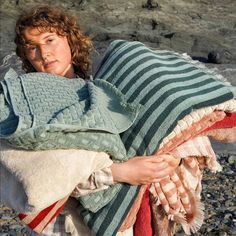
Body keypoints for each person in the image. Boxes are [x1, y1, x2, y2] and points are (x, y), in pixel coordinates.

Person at [13, 5, 181, 235]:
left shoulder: (102, 90)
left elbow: (141, 136)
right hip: (68, 225)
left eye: (50, 40)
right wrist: (120, 173)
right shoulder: (29, 106)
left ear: (69, 40)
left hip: (122, 215)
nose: (44, 53)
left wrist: (168, 161)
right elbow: (48, 173)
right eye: (32, 47)